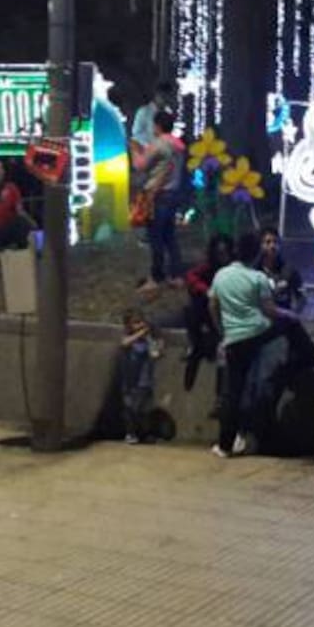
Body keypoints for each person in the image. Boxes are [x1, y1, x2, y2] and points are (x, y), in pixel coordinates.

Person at [208, 231, 297, 458]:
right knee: (291, 327)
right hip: (258, 334)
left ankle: (225, 444)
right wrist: (289, 314)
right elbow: (269, 310)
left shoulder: (221, 275)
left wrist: (223, 331)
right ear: (255, 253)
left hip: (233, 339)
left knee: (233, 391)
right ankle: (313, 359)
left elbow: (213, 306)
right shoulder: (257, 278)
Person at [257, 227, 314, 376]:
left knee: (296, 331)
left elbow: (301, 296)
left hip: (283, 320)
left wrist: (295, 313)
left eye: (275, 242)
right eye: (267, 242)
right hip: (259, 321)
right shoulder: (254, 271)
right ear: (260, 245)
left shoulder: (288, 270)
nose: (272, 246)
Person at [138, 111, 185, 293]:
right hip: (174, 193)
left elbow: (141, 165)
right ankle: (176, 275)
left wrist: (135, 150)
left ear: (157, 125)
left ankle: (156, 277)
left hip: (157, 194)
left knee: (155, 237)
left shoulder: (158, 145)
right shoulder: (179, 145)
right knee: (170, 236)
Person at [183, 233, 234, 390]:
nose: (223, 256)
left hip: (226, 312)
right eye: (219, 253)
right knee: (192, 311)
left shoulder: (234, 267)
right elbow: (191, 276)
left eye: (225, 252)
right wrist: (206, 290)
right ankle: (195, 352)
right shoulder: (209, 267)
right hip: (206, 308)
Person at [118, 308, 163, 445]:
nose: (140, 325)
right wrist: (140, 333)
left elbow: (157, 352)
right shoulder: (129, 338)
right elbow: (124, 343)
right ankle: (130, 433)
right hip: (130, 379)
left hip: (145, 379)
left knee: (143, 408)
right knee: (130, 407)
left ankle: (145, 433)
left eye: (142, 322)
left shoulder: (149, 339)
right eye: (136, 323)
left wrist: (152, 340)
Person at [131, 81, 176, 155]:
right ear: (156, 95)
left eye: (168, 97)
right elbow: (136, 134)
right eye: (163, 96)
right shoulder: (144, 111)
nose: (166, 100)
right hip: (146, 153)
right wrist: (151, 145)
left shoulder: (169, 113)